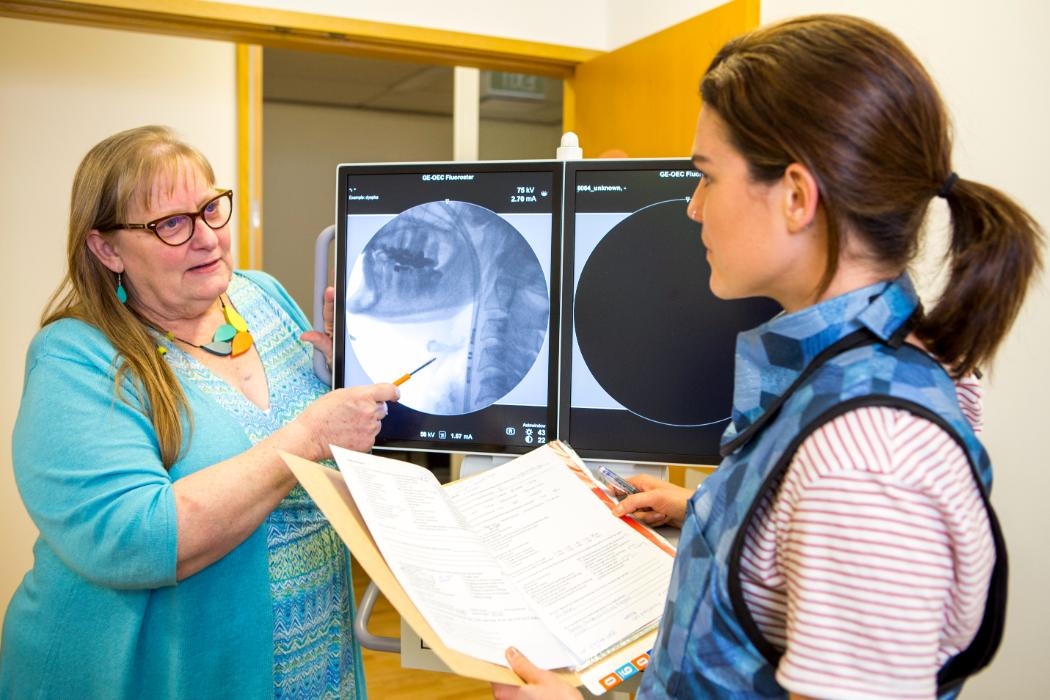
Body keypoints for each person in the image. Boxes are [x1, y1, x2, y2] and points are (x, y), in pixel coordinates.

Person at [493, 14, 1041, 700]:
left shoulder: (865, 466)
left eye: (707, 177)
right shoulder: (859, 367)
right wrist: (712, 513)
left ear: (795, 196)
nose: (692, 208)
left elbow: (849, 500)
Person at [0, 125, 400, 698]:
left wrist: (345, 373)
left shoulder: (258, 295)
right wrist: (307, 435)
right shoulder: (76, 357)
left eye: (211, 209)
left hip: (312, 656)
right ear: (107, 248)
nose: (208, 238)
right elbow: (132, 540)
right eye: (171, 224)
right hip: (158, 675)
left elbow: (330, 439)